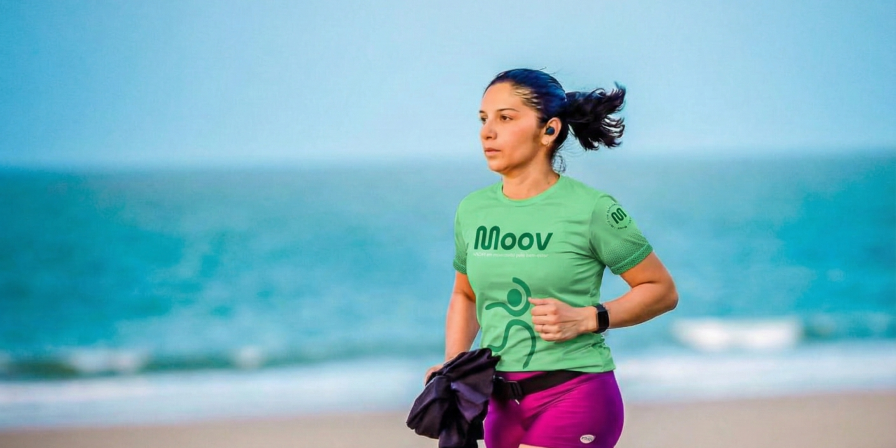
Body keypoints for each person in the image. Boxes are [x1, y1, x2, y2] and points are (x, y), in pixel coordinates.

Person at [423, 68, 678, 448]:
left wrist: (591, 317)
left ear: (549, 130)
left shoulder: (592, 209)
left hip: (574, 392)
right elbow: (466, 295)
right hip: (496, 403)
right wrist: (454, 365)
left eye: (505, 118)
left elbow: (660, 290)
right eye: (483, 119)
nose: (487, 131)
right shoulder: (472, 210)